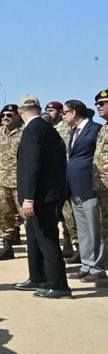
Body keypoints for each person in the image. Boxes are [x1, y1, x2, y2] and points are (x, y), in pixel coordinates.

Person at [13, 94, 71, 298]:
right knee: (34, 237)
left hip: (40, 197)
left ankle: (59, 285)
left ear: (20, 112)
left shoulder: (32, 130)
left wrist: (28, 197)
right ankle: (38, 277)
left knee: (46, 239)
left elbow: (32, 165)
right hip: (49, 193)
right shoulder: (49, 129)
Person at [63, 100, 107, 282]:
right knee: (83, 229)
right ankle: (86, 265)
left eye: (65, 112)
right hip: (75, 186)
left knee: (95, 227)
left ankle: (97, 268)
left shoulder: (95, 129)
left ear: (74, 113)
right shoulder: (73, 131)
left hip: (90, 184)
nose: (64, 116)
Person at [0, 104, 24, 261]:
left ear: (18, 116)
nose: (5, 118)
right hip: (3, 180)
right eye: (3, 115)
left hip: (21, 180)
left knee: (27, 216)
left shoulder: (25, 131)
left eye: (9, 115)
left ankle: (37, 248)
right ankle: (7, 247)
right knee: (3, 214)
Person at [46, 101, 79, 258]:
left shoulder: (68, 129)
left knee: (71, 214)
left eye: (51, 110)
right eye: (46, 110)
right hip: (55, 178)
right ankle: (67, 245)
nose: (48, 113)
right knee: (62, 215)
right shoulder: (47, 130)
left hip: (68, 176)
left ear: (60, 113)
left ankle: (78, 246)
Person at [92, 89, 108, 287]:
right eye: (97, 103)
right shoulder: (104, 129)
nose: (99, 106)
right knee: (106, 229)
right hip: (103, 189)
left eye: (103, 103)